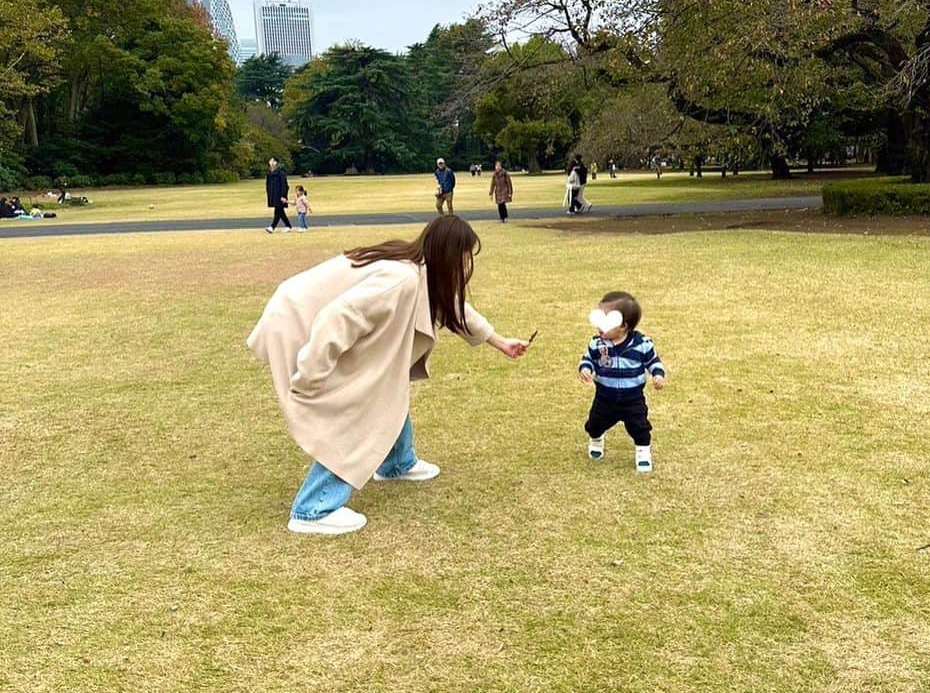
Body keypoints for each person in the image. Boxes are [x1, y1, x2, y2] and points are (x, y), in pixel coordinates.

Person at [247, 215, 531, 535]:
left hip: (308, 323)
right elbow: (338, 319)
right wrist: (310, 375)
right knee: (359, 407)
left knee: (386, 388)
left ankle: (397, 461)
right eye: (466, 257)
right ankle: (313, 508)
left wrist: (500, 342)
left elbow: (453, 306)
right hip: (300, 326)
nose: (467, 267)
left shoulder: (421, 270)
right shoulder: (401, 280)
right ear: (450, 255)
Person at [578, 290, 666, 474]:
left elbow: (653, 361)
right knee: (595, 423)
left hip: (632, 398)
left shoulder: (642, 344)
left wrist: (658, 375)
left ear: (623, 325)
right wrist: (585, 369)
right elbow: (588, 359)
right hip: (605, 396)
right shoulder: (597, 344)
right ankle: (596, 439)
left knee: (640, 425)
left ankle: (643, 452)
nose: (599, 326)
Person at [265, 157, 292, 233]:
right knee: (280, 211)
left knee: (278, 210)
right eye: (270, 161)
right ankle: (288, 226)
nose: (270, 162)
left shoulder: (281, 173)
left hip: (279, 195)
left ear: (276, 163)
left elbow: (285, 185)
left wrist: (283, 196)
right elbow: (268, 185)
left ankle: (272, 227)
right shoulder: (269, 173)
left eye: (272, 161)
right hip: (273, 195)